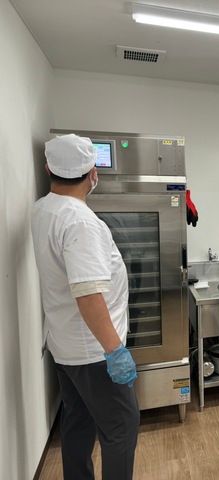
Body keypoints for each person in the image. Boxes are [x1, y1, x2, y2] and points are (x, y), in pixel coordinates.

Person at [31, 134, 139, 480]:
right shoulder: (81, 222)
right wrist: (115, 351)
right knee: (121, 427)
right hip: (95, 353)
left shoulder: (43, 209)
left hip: (65, 345)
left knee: (78, 422)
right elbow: (88, 294)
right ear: (93, 174)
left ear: (48, 169)